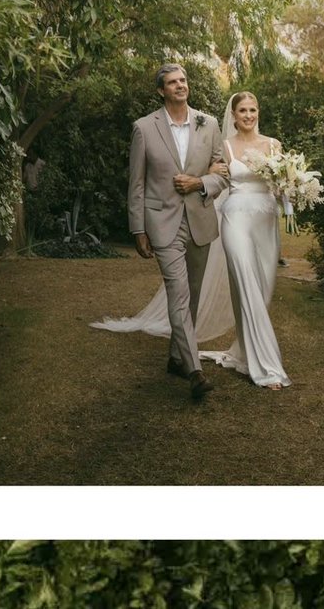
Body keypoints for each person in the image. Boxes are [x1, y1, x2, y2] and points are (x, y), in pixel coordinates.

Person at [107, 63, 229, 400]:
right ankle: (195, 372)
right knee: (178, 292)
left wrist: (199, 182)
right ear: (161, 90)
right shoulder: (144, 128)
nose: (180, 86)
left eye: (183, 80)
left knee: (192, 292)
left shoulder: (209, 124)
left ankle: (176, 357)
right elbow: (137, 183)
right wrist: (138, 229)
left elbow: (222, 174)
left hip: (201, 221)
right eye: (172, 82)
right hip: (163, 224)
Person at [199, 92, 291, 389]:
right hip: (235, 220)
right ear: (234, 116)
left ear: (258, 112)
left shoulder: (274, 145)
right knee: (247, 285)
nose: (248, 115)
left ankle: (242, 352)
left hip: (265, 222)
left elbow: (282, 185)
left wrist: (292, 193)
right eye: (242, 110)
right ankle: (266, 368)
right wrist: (209, 171)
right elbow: (212, 176)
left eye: (253, 109)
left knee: (261, 291)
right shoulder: (225, 146)